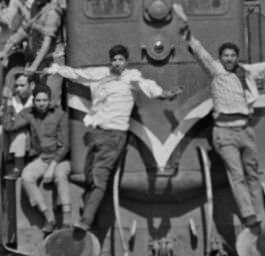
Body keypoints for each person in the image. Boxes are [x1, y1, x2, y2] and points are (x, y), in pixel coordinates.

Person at [45, 45, 180, 232]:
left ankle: (86, 221)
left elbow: (147, 86)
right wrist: (58, 69)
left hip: (115, 136)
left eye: (121, 60)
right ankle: (88, 209)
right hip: (97, 135)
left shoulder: (131, 77)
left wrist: (164, 94)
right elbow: (78, 74)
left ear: (126, 61)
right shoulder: (100, 73)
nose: (117, 63)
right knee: (91, 175)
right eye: (114, 59)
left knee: (100, 178)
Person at [177, 5, 265, 231]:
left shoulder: (245, 71)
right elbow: (200, 53)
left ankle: (257, 214)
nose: (229, 59)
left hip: (245, 131)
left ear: (237, 57)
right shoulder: (216, 71)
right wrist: (188, 34)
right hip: (225, 132)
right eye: (225, 56)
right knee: (236, 174)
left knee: (252, 173)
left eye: (232, 56)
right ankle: (248, 215)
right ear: (221, 58)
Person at [5, 85, 72, 233]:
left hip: (61, 158)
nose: (41, 103)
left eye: (44, 100)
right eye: (38, 100)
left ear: (50, 100)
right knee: (27, 177)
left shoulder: (60, 115)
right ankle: (49, 217)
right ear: (34, 101)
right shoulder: (30, 114)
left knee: (59, 175)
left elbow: (65, 146)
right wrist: (8, 104)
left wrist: (52, 167)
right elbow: (9, 126)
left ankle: (67, 219)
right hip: (43, 158)